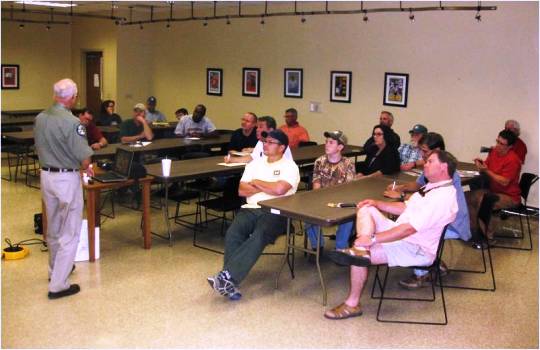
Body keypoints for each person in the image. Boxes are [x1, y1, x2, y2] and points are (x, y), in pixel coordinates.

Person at [324, 150, 458, 320]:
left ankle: (352, 304)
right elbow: (405, 208)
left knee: (359, 252)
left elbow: (409, 229)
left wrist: (372, 239)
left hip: (415, 248)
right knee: (366, 208)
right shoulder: (432, 187)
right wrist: (377, 203)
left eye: (430, 161)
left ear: (443, 167)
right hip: (401, 234)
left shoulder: (443, 198)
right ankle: (362, 250)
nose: (425, 164)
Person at [207, 130, 300, 300]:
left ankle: (228, 277)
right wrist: (268, 186)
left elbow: (280, 190)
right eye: (266, 141)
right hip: (250, 208)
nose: (266, 144)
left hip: (276, 211)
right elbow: (242, 190)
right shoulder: (255, 164)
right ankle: (229, 280)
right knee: (233, 233)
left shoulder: (290, 166)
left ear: (282, 147)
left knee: (259, 235)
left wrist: (256, 182)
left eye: (271, 142)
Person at [384, 132, 472, 288]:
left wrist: (402, 195)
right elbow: (419, 186)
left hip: (453, 224)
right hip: (442, 219)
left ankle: (422, 274)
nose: (421, 155)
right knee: (414, 222)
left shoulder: (448, 175)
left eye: (424, 151)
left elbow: (428, 202)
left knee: (417, 228)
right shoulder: (431, 168)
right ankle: (434, 262)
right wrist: (401, 187)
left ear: (436, 150)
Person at [34, 78, 94, 300]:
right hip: (66, 179)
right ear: (73, 97)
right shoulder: (72, 123)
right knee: (70, 231)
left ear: (54, 95)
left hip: (46, 176)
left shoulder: (40, 118)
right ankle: (59, 285)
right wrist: (86, 165)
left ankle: (55, 271)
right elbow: (85, 158)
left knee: (53, 228)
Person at [306, 131, 356, 258]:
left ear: (340, 147)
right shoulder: (319, 161)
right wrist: (320, 200)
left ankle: (340, 248)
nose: (327, 145)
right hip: (322, 199)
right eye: (326, 142)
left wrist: (334, 202)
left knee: (348, 219)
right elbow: (316, 184)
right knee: (308, 217)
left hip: (340, 201)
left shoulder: (348, 163)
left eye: (331, 142)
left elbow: (348, 188)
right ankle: (317, 246)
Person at [467, 129, 521, 244]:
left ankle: (487, 238)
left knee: (484, 201)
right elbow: (487, 168)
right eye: (497, 141)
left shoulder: (513, 160)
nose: (498, 145)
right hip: (493, 191)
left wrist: (486, 170)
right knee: (467, 197)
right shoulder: (494, 152)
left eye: (502, 144)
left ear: (510, 146)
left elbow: (504, 182)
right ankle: (474, 230)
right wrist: (481, 165)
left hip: (510, 196)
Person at [224, 116, 292, 163]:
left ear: (270, 130)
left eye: (261, 127)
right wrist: (232, 159)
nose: (257, 130)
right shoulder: (261, 141)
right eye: (257, 127)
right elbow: (252, 157)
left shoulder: (278, 143)